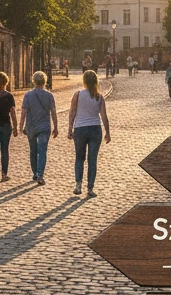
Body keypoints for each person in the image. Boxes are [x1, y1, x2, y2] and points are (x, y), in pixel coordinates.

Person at [68, 69, 110, 198]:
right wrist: (108, 132)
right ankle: (90, 188)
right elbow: (104, 116)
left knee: (79, 158)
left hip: (80, 129)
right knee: (92, 160)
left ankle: (78, 185)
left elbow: (72, 112)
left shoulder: (78, 94)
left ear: (84, 81)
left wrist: (70, 128)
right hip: (95, 129)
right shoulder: (99, 97)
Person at [20, 71, 58, 185]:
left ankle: (35, 173)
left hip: (31, 126)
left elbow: (23, 112)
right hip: (44, 127)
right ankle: (40, 174)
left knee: (33, 150)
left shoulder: (28, 95)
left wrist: (20, 126)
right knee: (42, 151)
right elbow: (53, 112)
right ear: (44, 81)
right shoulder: (49, 96)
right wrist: (56, 127)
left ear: (34, 81)